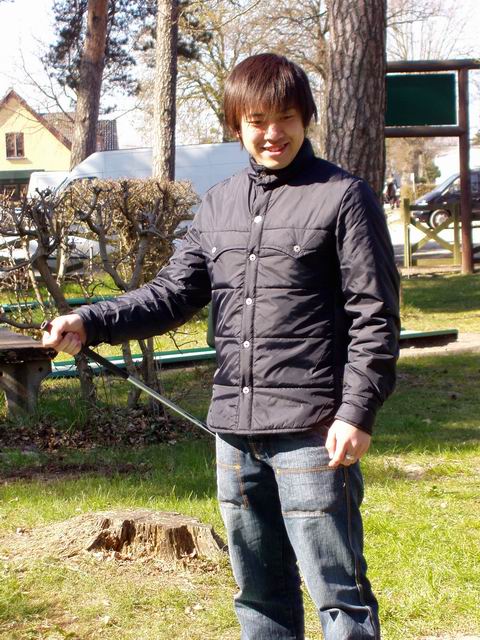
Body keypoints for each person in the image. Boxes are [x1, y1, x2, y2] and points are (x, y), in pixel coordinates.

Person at [43, 53, 400, 640]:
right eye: (257, 120)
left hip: (314, 432)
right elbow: (169, 294)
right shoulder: (219, 203)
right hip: (235, 434)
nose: (273, 133)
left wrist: (356, 412)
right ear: (236, 124)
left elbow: (375, 315)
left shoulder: (344, 198)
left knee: (339, 596)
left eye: (286, 118)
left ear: (306, 118)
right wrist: (90, 320)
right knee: (259, 596)